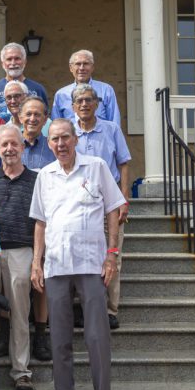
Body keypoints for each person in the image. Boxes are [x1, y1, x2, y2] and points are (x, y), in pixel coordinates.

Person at [30, 119, 125, 390]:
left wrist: (111, 252)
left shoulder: (96, 166)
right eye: (54, 139)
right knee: (59, 341)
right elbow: (40, 223)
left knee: (97, 339)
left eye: (65, 137)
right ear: (50, 142)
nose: (60, 143)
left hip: (91, 266)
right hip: (56, 267)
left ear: (75, 139)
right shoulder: (45, 175)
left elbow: (113, 209)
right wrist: (36, 262)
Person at [0, 125, 38, 390]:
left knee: (20, 314)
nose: (9, 149)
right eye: (4, 145)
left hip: (22, 251)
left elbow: (41, 222)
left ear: (22, 147)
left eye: (14, 144)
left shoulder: (36, 180)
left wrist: (39, 258)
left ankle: (21, 371)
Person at [72, 83, 132, 330]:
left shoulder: (111, 129)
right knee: (79, 254)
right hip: (77, 202)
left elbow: (124, 163)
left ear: (97, 104)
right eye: (80, 101)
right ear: (74, 106)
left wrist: (124, 198)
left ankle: (109, 310)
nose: (84, 104)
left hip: (109, 199)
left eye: (89, 100)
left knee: (111, 254)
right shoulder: (68, 130)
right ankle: (80, 309)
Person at [51, 49, 122, 123]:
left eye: (86, 64)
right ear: (71, 68)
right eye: (78, 64)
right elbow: (56, 124)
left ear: (92, 67)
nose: (82, 68)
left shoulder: (106, 90)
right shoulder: (61, 94)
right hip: (71, 134)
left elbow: (115, 121)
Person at [0, 96, 55, 171]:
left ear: (45, 120)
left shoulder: (53, 147)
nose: (32, 119)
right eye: (28, 114)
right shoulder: (7, 147)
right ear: (20, 118)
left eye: (37, 114)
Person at [0, 42, 49, 122]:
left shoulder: (38, 89)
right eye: (9, 59)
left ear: (25, 62)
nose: (13, 63)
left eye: (17, 59)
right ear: (2, 64)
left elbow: (45, 116)